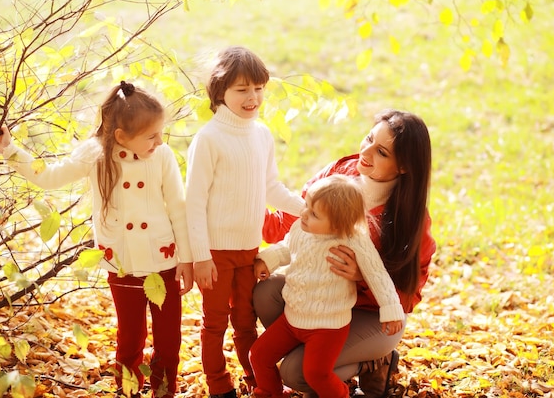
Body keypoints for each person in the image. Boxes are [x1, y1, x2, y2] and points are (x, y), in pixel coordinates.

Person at [0, 81, 192, 398]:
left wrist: (187, 259)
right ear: (121, 136)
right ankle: (128, 392)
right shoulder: (96, 155)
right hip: (122, 263)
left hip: (163, 260)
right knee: (131, 338)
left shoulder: (162, 156)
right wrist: (9, 149)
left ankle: (164, 391)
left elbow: (178, 207)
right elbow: (49, 177)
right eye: (151, 135)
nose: (160, 141)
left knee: (168, 340)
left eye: (160, 133)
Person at [254, 109, 436, 398]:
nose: (365, 152)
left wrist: (360, 276)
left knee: (295, 372)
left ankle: (371, 363)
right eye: (368, 139)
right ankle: (317, 358)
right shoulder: (340, 174)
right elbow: (294, 222)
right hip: (318, 303)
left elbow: (407, 297)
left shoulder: (409, 220)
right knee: (265, 293)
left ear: (403, 167)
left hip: (373, 315)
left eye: (382, 153)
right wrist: (240, 211)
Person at [184, 46, 305, 398]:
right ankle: (219, 386)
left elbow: (271, 188)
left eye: (258, 88)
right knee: (215, 323)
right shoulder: (208, 139)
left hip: (249, 250)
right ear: (220, 92)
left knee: (245, 322)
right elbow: (194, 202)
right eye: (242, 90)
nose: (253, 98)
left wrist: (308, 208)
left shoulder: (261, 134)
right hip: (215, 254)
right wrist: (200, 256)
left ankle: (258, 382)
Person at [249, 174, 405, 398]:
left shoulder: (352, 240)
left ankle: (338, 393)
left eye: (313, 214)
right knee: (258, 355)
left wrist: (390, 309)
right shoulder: (302, 229)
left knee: (315, 374)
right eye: (307, 206)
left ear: (338, 225)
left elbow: (376, 273)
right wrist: (267, 259)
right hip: (293, 317)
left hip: (328, 327)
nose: (303, 214)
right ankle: (270, 392)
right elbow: (287, 247)